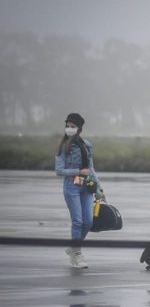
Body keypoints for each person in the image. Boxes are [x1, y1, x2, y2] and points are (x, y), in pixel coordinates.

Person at [54, 112, 103, 269]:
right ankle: (76, 254)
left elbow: (91, 168)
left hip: (87, 186)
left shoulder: (87, 145)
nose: (69, 128)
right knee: (77, 221)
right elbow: (59, 170)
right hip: (71, 187)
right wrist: (78, 171)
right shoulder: (63, 146)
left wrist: (99, 188)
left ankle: (73, 246)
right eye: (67, 126)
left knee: (88, 221)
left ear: (79, 128)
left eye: (73, 126)